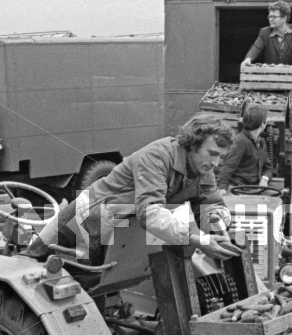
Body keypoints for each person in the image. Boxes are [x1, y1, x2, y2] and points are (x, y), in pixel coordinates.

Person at [26, 113, 241, 263]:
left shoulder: (203, 170)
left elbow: (210, 205)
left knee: (106, 289)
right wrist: (200, 240)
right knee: (60, 276)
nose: (216, 163)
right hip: (86, 220)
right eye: (212, 153)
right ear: (193, 143)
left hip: (121, 225)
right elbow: (151, 213)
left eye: (221, 157)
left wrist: (221, 234)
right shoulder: (157, 156)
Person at [216, 101, 275, 193]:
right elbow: (227, 167)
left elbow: (268, 167)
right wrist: (221, 188)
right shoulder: (240, 142)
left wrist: (264, 179)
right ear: (262, 124)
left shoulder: (261, 142)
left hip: (254, 188)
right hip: (238, 189)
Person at [240, 1, 292, 73]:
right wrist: (248, 59)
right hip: (270, 76)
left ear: (284, 18)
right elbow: (256, 47)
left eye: (274, 17)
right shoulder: (264, 32)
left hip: (291, 76)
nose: (270, 19)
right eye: (269, 16)